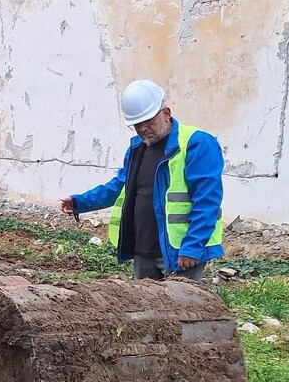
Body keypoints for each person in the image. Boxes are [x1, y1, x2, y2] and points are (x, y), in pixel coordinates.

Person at [59, 79, 224, 281]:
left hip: (179, 252)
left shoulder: (196, 144)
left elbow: (207, 200)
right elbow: (119, 187)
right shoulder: (137, 147)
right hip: (143, 249)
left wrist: (192, 246)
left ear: (166, 113)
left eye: (149, 121)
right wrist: (79, 202)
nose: (143, 128)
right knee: (145, 308)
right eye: (137, 124)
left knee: (180, 310)